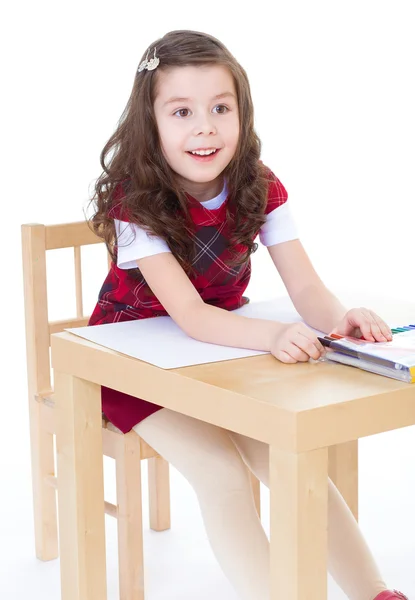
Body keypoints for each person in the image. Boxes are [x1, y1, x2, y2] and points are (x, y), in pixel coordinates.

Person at [88, 29, 408, 600]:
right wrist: (276, 333)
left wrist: (340, 320)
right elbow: (190, 315)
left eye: (220, 108)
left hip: (221, 359)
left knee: (293, 456)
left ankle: (375, 593)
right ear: (151, 122)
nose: (204, 126)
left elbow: (305, 285)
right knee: (223, 476)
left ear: (243, 113)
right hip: (134, 365)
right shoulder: (134, 202)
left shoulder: (258, 186)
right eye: (182, 111)